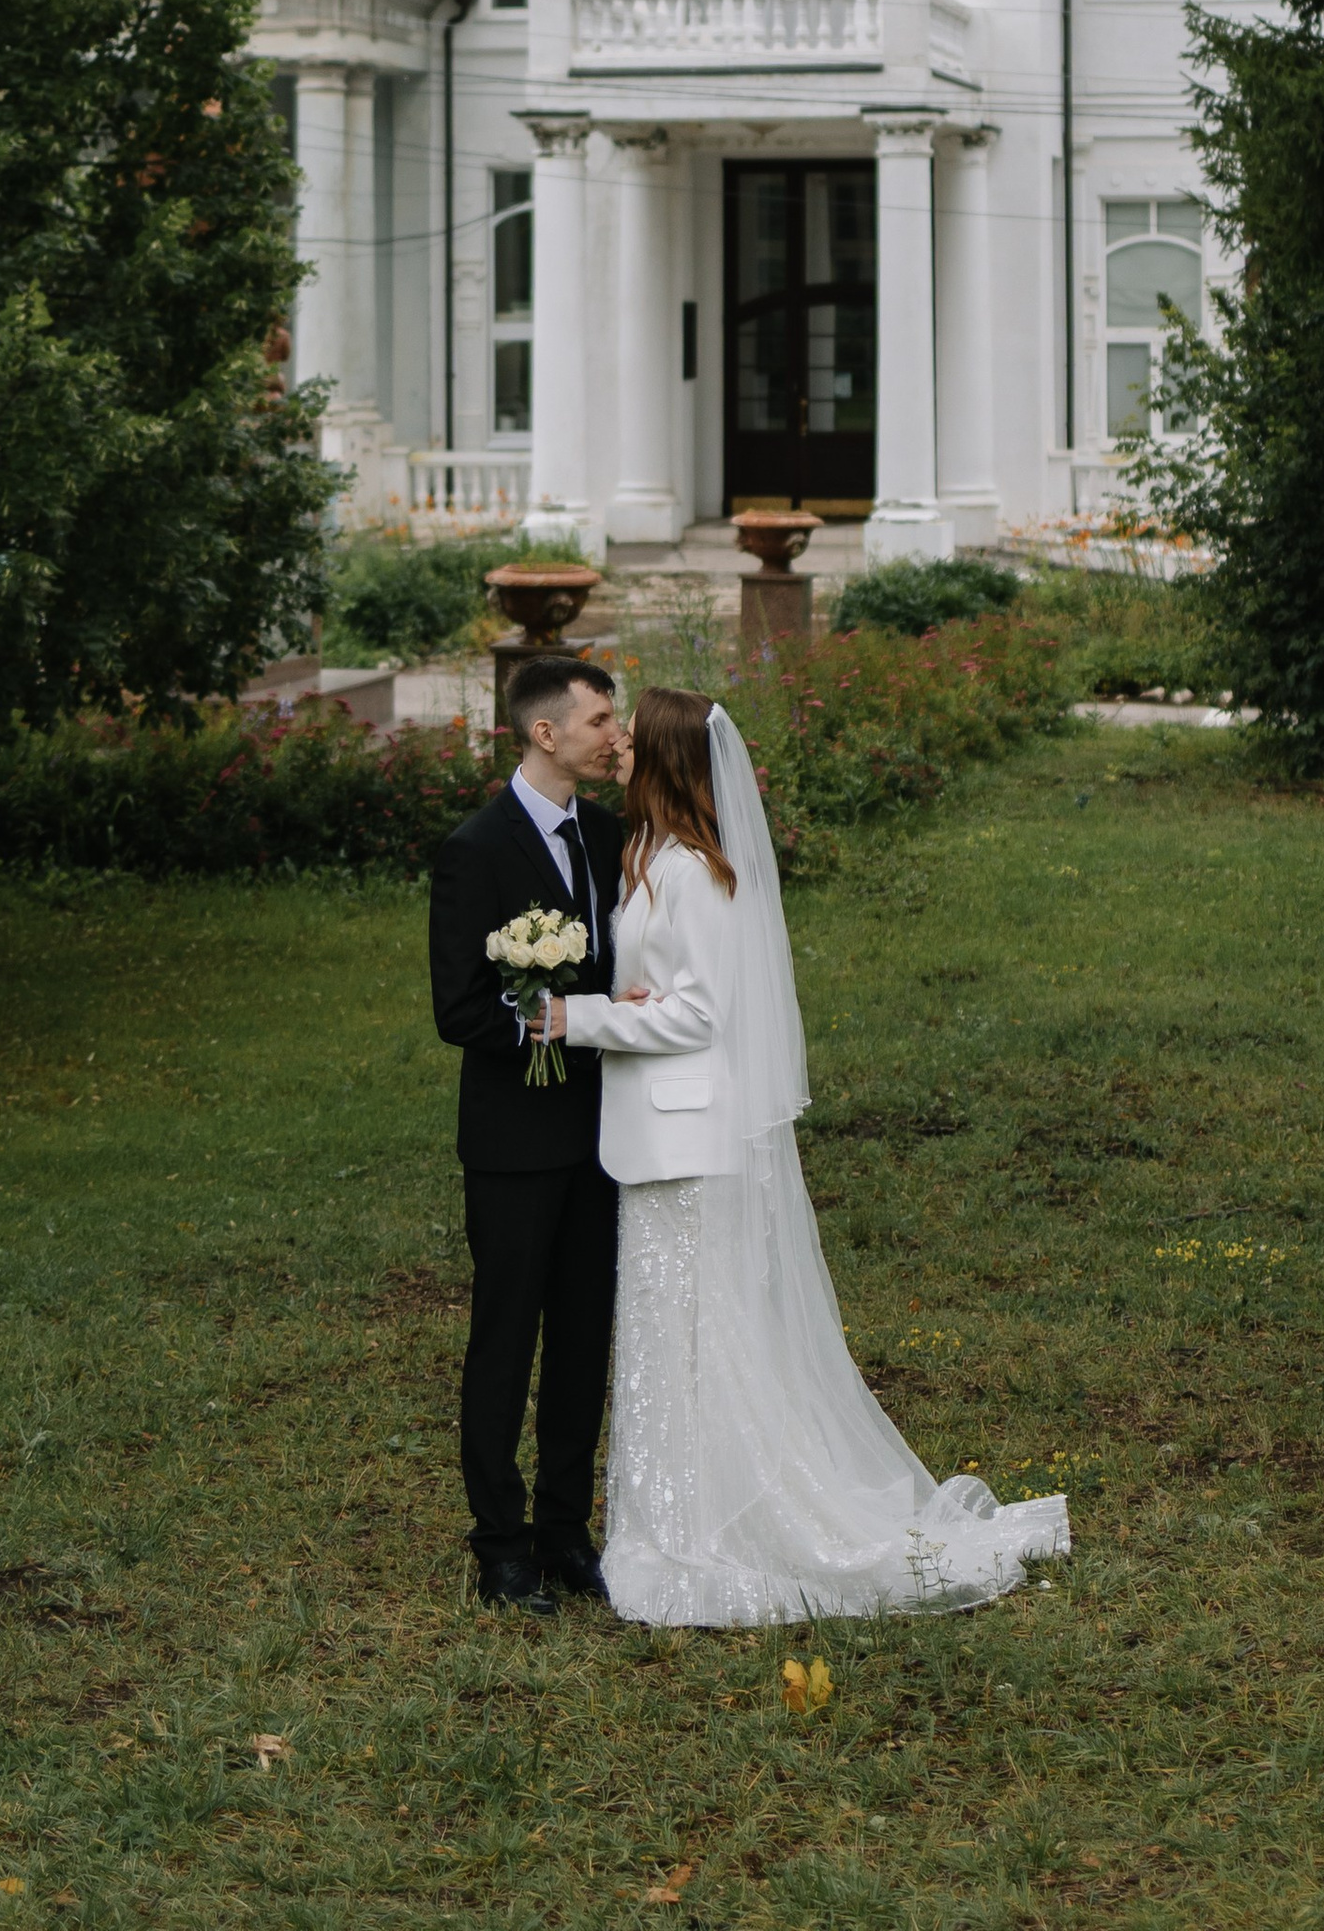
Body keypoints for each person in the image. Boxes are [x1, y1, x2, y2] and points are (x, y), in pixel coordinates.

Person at [544, 683, 1068, 1624]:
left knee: (705, 1334)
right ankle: (674, 1514)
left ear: (665, 755)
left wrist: (585, 1018)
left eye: (632, 733)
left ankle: (719, 1525)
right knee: (674, 1336)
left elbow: (702, 1011)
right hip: (651, 1139)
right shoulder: (649, 850)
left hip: (686, 1139)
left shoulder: (697, 873)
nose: (616, 742)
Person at [427, 652, 626, 1612]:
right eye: (598, 721)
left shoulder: (612, 834)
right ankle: (500, 1546)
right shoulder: (475, 848)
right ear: (545, 733)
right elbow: (459, 1011)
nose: (612, 735)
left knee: (584, 1342)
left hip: (601, 1136)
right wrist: (546, 1023)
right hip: (511, 1142)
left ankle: (564, 1533)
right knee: (506, 1341)